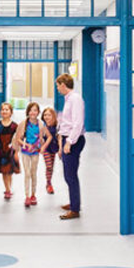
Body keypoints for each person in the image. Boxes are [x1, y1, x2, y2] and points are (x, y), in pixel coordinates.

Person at [56, 74, 85, 220]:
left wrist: (69, 142)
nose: (57, 88)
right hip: (67, 139)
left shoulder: (75, 99)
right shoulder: (68, 99)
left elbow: (78, 123)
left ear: (63, 84)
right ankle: (74, 202)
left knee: (71, 175)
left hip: (74, 140)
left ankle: (75, 209)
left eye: (57, 85)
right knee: (68, 175)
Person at [14, 101, 48, 208]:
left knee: (34, 173)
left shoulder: (41, 124)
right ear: (27, 111)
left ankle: (34, 195)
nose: (33, 112)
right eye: (31, 110)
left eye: (35, 110)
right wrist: (25, 144)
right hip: (25, 152)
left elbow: (46, 137)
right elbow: (18, 138)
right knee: (27, 173)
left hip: (36, 152)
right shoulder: (23, 123)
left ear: (38, 112)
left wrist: (42, 147)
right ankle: (27, 196)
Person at [0, 102, 21, 200]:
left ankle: (8, 188)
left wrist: (16, 152)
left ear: (11, 112)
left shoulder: (15, 126)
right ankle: (7, 190)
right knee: (4, 171)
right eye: (3, 110)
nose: (4, 111)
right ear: (0, 112)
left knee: (10, 171)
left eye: (7, 109)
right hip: (1, 150)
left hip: (11, 150)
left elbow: (17, 139)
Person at [41, 107, 60, 195]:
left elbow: (59, 137)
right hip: (46, 149)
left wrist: (60, 149)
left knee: (51, 167)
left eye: (49, 115)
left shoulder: (56, 126)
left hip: (54, 148)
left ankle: (49, 182)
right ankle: (48, 184)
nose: (47, 117)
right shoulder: (43, 126)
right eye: (45, 115)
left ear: (53, 116)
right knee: (49, 165)